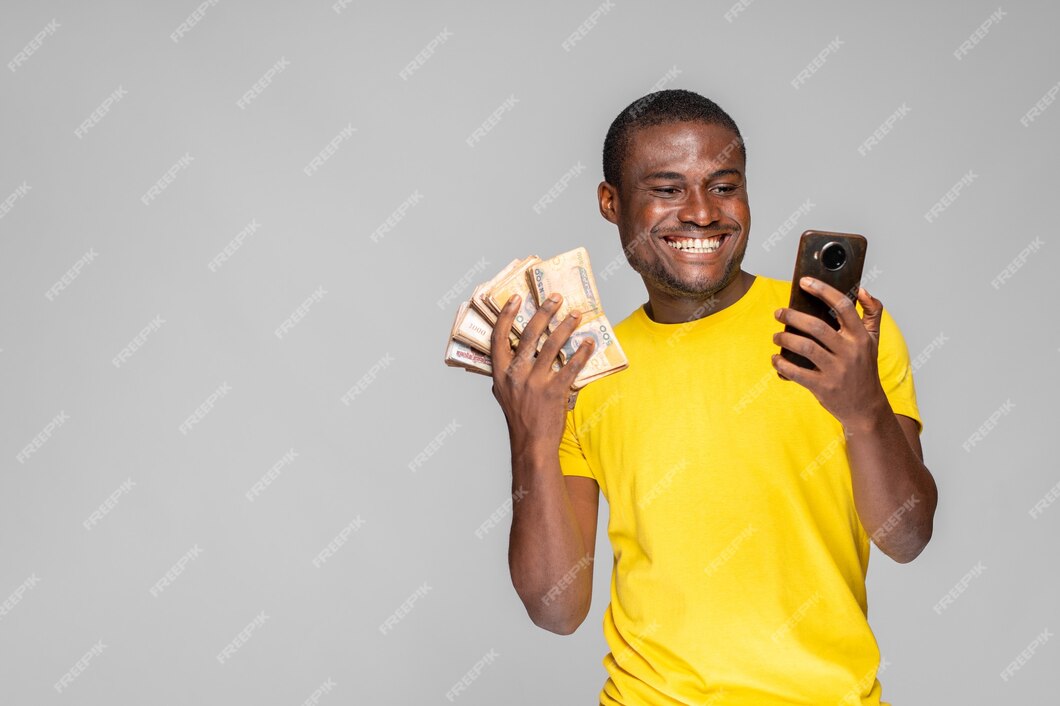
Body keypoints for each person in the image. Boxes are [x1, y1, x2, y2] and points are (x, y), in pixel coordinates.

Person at [488, 89, 938, 706]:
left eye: (724, 186)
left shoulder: (841, 340)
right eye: (667, 189)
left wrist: (862, 409)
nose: (701, 213)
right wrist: (530, 436)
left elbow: (907, 536)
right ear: (611, 203)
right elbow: (556, 607)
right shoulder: (585, 372)